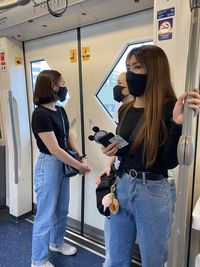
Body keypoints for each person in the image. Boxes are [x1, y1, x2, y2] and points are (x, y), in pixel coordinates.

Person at [98, 45, 200, 267]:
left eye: (137, 67)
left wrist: (177, 124)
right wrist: (110, 157)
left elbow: (168, 162)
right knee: (114, 258)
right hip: (122, 184)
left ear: (154, 71)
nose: (131, 73)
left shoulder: (170, 108)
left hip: (153, 192)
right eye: (128, 67)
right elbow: (128, 149)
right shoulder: (124, 110)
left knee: (152, 261)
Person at [31, 70, 92, 267]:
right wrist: (79, 167)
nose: (65, 88)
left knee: (62, 209)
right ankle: (38, 261)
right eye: (62, 84)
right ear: (52, 87)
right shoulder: (39, 114)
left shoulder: (60, 110)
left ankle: (56, 243)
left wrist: (80, 156)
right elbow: (55, 149)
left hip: (63, 162)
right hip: (48, 164)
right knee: (45, 215)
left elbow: (69, 136)